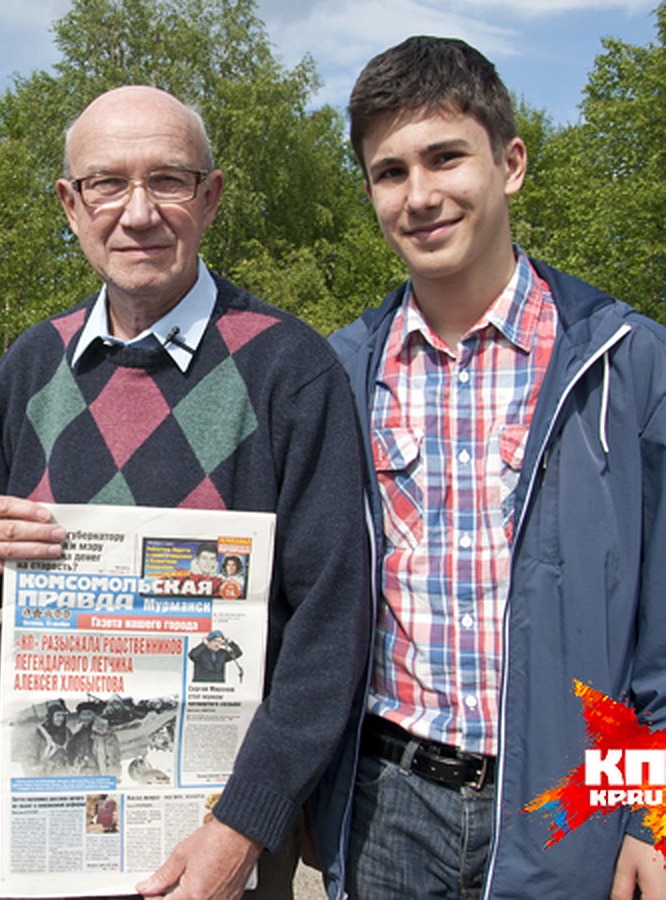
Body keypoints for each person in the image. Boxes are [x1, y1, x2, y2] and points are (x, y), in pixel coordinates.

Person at [0, 85, 370, 900]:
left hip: (213, 821)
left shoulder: (291, 370)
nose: (137, 213)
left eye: (169, 181)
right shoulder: (31, 365)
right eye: (107, 183)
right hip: (42, 810)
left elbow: (333, 620)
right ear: (70, 205)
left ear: (210, 198)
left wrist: (248, 819)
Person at [314, 36, 666, 899]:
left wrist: (648, 814)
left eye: (444, 158)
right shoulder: (340, 373)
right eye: (389, 171)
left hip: (570, 808)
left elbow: (660, 627)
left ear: (509, 163)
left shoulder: (628, 363)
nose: (420, 195)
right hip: (384, 803)